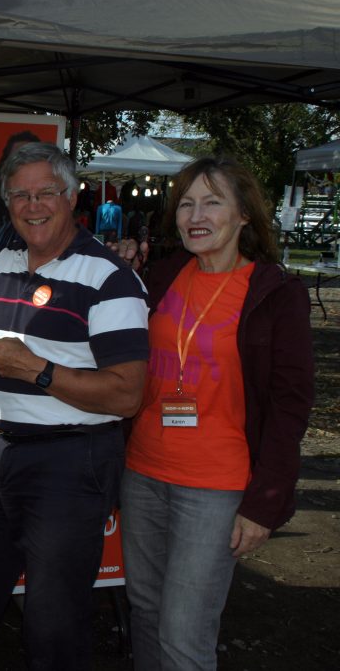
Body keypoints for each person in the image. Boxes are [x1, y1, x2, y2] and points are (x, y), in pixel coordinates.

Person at [0, 142, 149, 670]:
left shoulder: (109, 278)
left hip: (72, 461)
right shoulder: (3, 263)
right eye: (20, 194)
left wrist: (38, 370)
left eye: (46, 192)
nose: (32, 204)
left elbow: (128, 394)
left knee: (53, 621)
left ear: (72, 196)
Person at [120, 156, 314, 670]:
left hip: (216, 487)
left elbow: (291, 406)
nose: (195, 215)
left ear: (244, 213)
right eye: (186, 203)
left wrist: (265, 502)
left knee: (184, 634)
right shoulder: (159, 278)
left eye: (212, 201)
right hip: (142, 473)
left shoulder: (275, 294)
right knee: (143, 611)